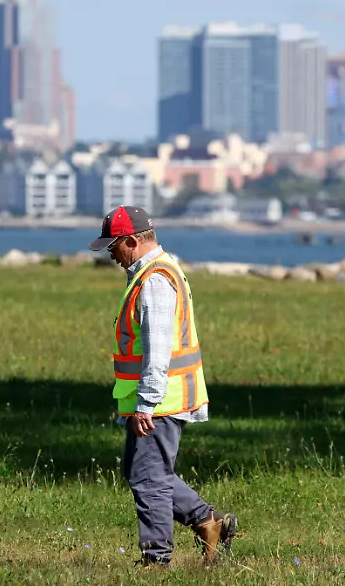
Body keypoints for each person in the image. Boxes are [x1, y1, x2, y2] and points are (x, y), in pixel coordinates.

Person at [88, 205, 238, 568]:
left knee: (149, 479)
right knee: (140, 472)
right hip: (163, 398)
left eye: (113, 246)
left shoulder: (154, 280)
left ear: (131, 241)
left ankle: (156, 560)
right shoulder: (152, 271)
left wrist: (146, 403)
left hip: (162, 401)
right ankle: (209, 522)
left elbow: (157, 349)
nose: (110, 254)